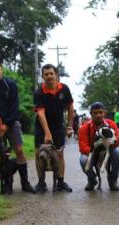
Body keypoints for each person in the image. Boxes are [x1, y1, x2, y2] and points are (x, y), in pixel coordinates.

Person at [0, 60, 35, 194]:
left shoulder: (10, 85)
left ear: (1, 70)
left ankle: (25, 182)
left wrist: (7, 124)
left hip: (12, 122)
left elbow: (15, 107)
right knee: (2, 154)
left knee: (19, 150)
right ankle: (6, 184)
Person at [34, 63, 74, 193]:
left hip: (58, 126)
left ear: (56, 74)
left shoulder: (64, 89)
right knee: (38, 154)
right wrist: (47, 133)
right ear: (43, 76)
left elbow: (70, 107)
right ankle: (41, 183)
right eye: (46, 74)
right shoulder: (39, 92)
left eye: (51, 73)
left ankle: (60, 182)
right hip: (41, 126)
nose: (49, 76)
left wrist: (69, 127)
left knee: (60, 154)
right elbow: (40, 113)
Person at [78, 102, 119, 191]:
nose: (98, 115)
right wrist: (97, 154)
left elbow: (118, 141)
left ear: (104, 113)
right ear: (91, 114)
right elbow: (83, 147)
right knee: (83, 160)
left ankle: (112, 180)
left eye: (100, 112)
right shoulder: (84, 127)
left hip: (108, 151)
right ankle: (92, 180)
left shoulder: (112, 124)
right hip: (92, 153)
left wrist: (112, 141)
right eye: (95, 113)